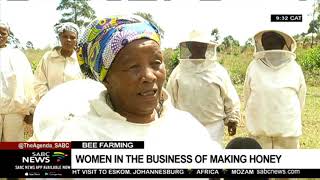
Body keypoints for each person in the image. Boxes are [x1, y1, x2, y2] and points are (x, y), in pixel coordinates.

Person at [30, 15, 219, 151]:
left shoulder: (186, 127)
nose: (149, 76)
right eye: (132, 66)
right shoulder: (78, 136)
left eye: (156, 63)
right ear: (105, 78)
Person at [166, 30, 240, 145]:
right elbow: (169, 100)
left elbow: (229, 97)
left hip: (213, 128)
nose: (198, 48)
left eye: (201, 45)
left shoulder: (218, 71)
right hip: (185, 128)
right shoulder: (178, 72)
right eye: (194, 45)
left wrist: (232, 119)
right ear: (189, 47)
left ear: (207, 47)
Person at [244, 30, 307, 149]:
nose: (270, 42)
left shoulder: (294, 68)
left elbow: (300, 100)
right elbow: (247, 96)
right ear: (262, 44)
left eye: (274, 39)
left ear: (283, 43)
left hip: (288, 135)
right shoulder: (253, 66)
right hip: (259, 134)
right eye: (267, 39)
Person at [0, 21, 36, 141]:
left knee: (12, 145)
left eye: (3, 33)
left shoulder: (17, 55)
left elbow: (28, 83)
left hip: (14, 110)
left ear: (8, 35)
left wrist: (31, 109)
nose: (0, 36)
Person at [33, 22, 83, 101]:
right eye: (65, 36)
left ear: (77, 40)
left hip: (76, 105)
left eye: (73, 37)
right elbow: (39, 83)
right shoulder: (48, 58)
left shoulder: (81, 60)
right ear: (60, 38)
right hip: (51, 105)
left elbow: (86, 86)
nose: (68, 40)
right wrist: (47, 100)